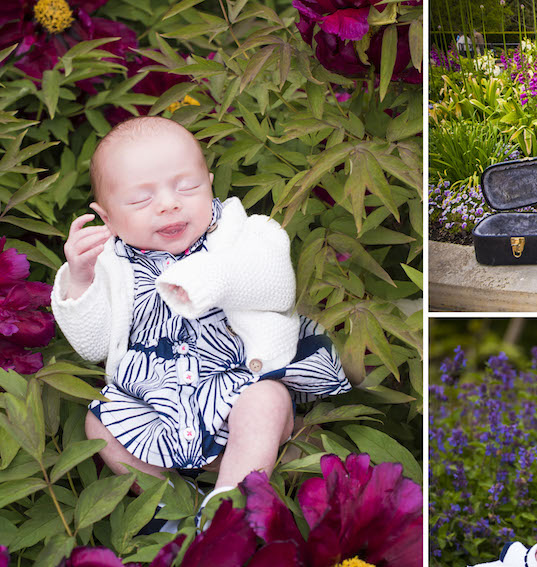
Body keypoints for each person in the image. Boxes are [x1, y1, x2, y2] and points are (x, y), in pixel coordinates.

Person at [51, 116, 351, 528]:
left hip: (240, 381)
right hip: (155, 401)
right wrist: (81, 282)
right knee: (98, 424)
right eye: (140, 200)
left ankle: (230, 506)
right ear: (107, 217)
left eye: (187, 187)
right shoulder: (110, 264)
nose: (168, 203)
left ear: (209, 183)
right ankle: (173, 503)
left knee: (266, 402)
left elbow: (275, 284)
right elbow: (93, 344)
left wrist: (213, 277)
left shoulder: (241, 233)